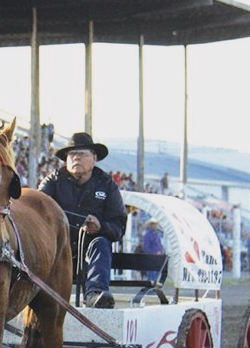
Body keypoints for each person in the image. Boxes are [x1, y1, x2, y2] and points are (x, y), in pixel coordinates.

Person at [39, 132, 126, 308]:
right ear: (66, 160)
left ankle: (95, 294)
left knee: (101, 242)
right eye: (72, 154)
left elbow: (118, 226)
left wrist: (100, 227)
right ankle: (31, 293)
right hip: (56, 248)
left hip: (90, 252)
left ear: (94, 158)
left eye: (82, 154)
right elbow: (36, 211)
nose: (76, 158)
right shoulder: (52, 181)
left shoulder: (107, 185)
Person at [141, 218, 165, 283]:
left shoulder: (159, 234)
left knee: (157, 275)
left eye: (154, 224)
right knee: (151, 275)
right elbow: (146, 247)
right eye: (151, 224)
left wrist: (161, 251)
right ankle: (151, 289)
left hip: (159, 258)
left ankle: (154, 288)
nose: (153, 226)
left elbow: (161, 245)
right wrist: (154, 253)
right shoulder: (147, 235)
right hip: (151, 258)